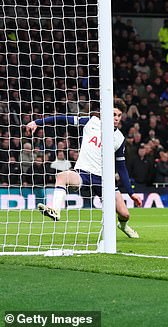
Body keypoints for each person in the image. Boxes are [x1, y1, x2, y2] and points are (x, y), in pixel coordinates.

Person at [25, 98, 143, 238]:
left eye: (118, 115)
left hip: (105, 180)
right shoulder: (91, 122)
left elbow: (121, 167)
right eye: (113, 114)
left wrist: (131, 193)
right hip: (84, 173)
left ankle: (122, 226)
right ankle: (55, 210)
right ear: (104, 113)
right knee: (61, 177)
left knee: (125, 214)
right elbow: (63, 119)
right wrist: (37, 123)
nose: (116, 118)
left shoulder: (119, 138)